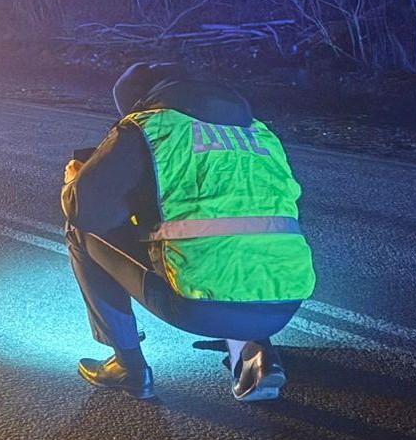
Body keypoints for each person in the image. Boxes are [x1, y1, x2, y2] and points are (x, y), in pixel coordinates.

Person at [60, 62, 316, 401]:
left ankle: (128, 365)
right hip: (284, 303)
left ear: (141, 101)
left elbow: (89, 212)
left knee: (80, 231)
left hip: (198, 306)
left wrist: (77, 182)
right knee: (240, 247)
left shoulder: (148, 127)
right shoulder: (259, 132)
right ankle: (257, 354)